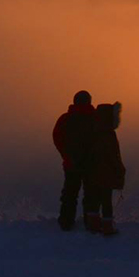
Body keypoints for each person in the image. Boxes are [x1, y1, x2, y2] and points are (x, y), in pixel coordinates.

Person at [52, 91, 98, 231]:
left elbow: (57, 138)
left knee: (70, 193)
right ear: (89, 101)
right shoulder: (95, 118)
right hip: (91, 163)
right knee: (91, 194)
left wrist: (66, 155)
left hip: (71, 163)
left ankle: (66, 221)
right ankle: (90, 223)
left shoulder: (65, 118)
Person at [84, 103, 125, 236]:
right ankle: (107, 227)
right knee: (106, 199)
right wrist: (120, 169)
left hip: (93, 171)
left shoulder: (93, 131)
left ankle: (93, 225)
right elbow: (113, 154)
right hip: (106, 171)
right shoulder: (108, 134)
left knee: (94, 198)